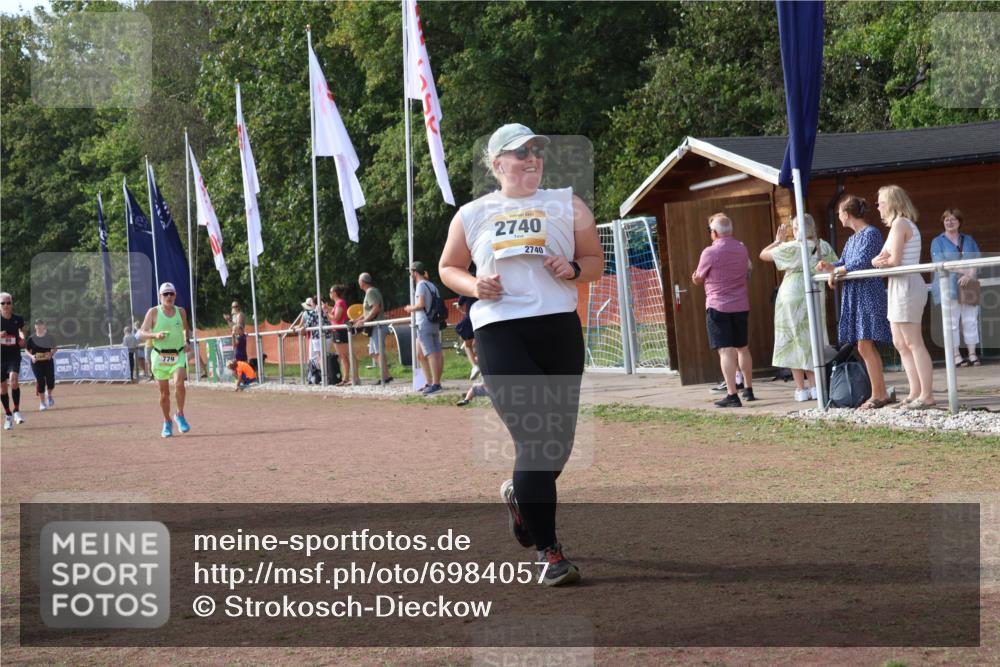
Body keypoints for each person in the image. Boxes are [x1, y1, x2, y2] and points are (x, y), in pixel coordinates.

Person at [439, 122, 603, 586]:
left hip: (559, 329)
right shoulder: (472, 214)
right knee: (535, 440)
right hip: (500, 331)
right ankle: (550, 553)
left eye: (536, 151)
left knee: (559, 445)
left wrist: (573, 268)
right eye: (519, 153)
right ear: (497, 164)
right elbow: (448, 267)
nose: (531, 158)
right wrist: (476, 285)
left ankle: (520, 496)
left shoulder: (568, 205)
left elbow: (595, 261)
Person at [817, 195, 893, 410]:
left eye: (840, 213)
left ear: (847, 214)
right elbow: (844, 262)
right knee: (863, 345)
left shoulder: (871, 233)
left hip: (868, 292)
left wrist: (838, 271)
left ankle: (878, 394)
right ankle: (880, 392)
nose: (839, 217)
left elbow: (862, 262)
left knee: (865, 344)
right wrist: (830, 267)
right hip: (855, 293)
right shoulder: (852, 239)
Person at [759, 214, 837, 401]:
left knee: (793, 340)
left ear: (796, 229)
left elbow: (763, 254)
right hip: (815, 292)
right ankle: (816, 387)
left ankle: (801, 389)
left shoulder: (793, 246)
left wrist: (778, 241)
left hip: (792, 294)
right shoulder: (823, 246)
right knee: (813, 339)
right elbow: (835, 265)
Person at [873, 185, 934, 409]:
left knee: (913, 342)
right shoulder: (896, 226)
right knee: (900, 343)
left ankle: (926, 394)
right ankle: (915, 391)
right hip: (897, 285)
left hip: (907, 285)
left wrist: (880, 262)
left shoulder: (900, 224)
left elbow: (893, 260)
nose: (878, 207)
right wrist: (879, 261)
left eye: (880, 202)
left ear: (891, 203)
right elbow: (882, 259)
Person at [691, 214, 756, 408]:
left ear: (715, 233)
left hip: (718, 305)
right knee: (742, 347)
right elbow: (748, 270)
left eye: (710, 230)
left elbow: (699, 278)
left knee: (725, 351)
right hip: (741, 305)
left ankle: (732, 394)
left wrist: (694, 277)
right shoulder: (742, 249)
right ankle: (749, 389)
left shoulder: (709, 252)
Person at [137, 282, 192, 437]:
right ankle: (167, 421)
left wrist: (187, 341)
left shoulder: (181, 312)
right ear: (160, 296)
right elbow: (141, 333)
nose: (169, 296)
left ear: (175, 295)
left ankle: (179, 414)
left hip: (178, 354)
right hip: (160, 356)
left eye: (171, 293)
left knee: (179, 384)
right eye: (165, 294)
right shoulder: (153, 312)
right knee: (164, 394)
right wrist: (155, 335)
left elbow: (185, 329)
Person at [930, 208, 982, 368]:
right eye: (947, 219)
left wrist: (970, 274)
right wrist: (964, 271)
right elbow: (940, 262)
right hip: (949, 287)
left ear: (959, 222)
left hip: (969, 285)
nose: (950, 222)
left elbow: (977, 258)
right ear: (943, 222)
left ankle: (972, 354)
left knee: (970, 320)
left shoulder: (969, 240)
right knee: (952, 323)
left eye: (953, 219)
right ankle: (956, 355)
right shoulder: (937, 241)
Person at [404, 261, 445, 396]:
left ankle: (436, 384)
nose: (410, 275)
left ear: (415, 272)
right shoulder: (432, 285)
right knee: (421, 354)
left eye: (411, 272)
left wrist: (410, 308)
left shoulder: (421, 285)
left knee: (430, 353)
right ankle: (429, 382)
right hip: (434, 322)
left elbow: (421, 304)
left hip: (424, 323)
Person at [351, 273, 392, 385]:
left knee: (377, 352)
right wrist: (357, 320)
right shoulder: (371, 291)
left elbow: (375, 308)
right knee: (374, 352)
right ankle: (386, 375)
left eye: (359, 280)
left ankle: (385, 377)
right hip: (375, 326)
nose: (358, 282)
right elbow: (368, 311)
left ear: (362, 282)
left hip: (377, 326)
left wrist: (364, 321)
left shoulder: (370, 292)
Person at [0, 293, 27, 429]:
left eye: (8, 303)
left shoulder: (18, 319)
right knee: (3, 387)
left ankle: (16, 411)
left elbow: (23, 330)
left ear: (12, 304)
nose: (6, 305)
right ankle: (8, 415)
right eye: (3, 303)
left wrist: (22, 338)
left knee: (14, 380)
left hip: (13, 355)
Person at [327, 284, 360, 386]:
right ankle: (346, 378)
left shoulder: (340, 302)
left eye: (330, 292)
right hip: (337, 331)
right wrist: (327, 310)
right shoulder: (337, 303)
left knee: (348, 355)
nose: (329, 294)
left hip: (341, 331)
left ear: (334, 293)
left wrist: (326, 312)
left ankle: (355, 378)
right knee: (343, 356)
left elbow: (336, 318)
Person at [26, 319, 57, 411]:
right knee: (40, 381)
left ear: (44, 326)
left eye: (40, 324)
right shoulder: (31, 338)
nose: (39, 326)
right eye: (37, 325)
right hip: (36, 363)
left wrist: (51, 354)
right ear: (35, 326)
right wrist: (32, 356)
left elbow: (55, 348)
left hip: (48, 362)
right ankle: (42, 403)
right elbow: (26, 350)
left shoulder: (49, 337)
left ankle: (49, 395)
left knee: (51, 381)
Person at [455, 294, 480, 380]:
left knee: (468, 346)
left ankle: (474, 366)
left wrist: (464, 312)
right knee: (479, 346)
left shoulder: (468, 289)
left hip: (470, 318)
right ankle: (481, 366)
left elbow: (459, 305)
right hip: (484, 318)